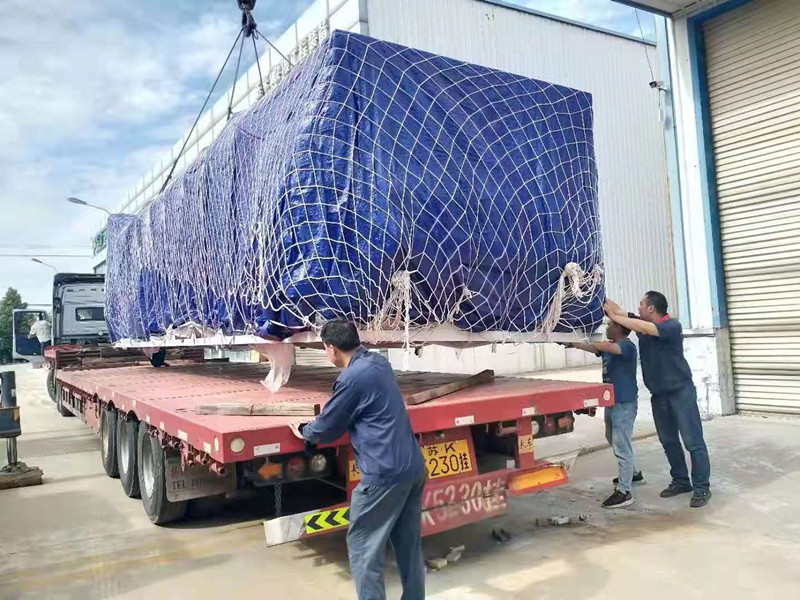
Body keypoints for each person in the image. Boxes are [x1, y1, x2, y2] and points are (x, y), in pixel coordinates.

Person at [290, 320, 426, 600]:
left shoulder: (351, 378)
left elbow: (328, 427)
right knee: (408, 543)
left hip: (383, 476)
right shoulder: (379, 363)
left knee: (363, 545)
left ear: (332, 349)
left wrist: (304, 431)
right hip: (413, 468)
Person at [604, 292, 712, 508]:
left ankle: (701, 487)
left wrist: (616, 317)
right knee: (668, 440)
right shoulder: (642, 324)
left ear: (651, 308)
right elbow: (620, 312)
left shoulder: (671, 326)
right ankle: (681, 481)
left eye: (641, 304)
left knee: (692, 441)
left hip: (680, 392)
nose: (638, 307)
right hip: (659, 395)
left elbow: (641, 327)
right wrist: (599, 297)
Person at [569, 320, 642, 508]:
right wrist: (572, 343)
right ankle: (634, 473)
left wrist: (579, 340)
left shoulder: (626, 346)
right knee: (612, 437)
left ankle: (624, 492)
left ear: (619, 328)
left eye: (610, 325)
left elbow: (604, 347)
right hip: (612, 402)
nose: (607, 328)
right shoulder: (609, 347)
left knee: (621, 445)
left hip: (624, 404)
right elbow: (594, 348)